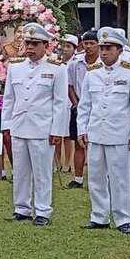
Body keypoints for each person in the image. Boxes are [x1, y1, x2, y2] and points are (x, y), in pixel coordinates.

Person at [1, 23, 69, 226]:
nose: (30, 47)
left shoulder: (57, 68)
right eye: (28, 43)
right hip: (19, 126)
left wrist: (57, 130)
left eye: (35, 44)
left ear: (45, 46)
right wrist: (6, 125)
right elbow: (9, 99)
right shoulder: (15, 67)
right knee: (20, 171)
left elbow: (60, 103)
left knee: (42, 173)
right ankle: (21, 208)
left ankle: (42, 211)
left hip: (42, 129)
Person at [76, 27, 130, 234]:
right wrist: (81, 129)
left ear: (119, 50)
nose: (104, 52)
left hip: (119, 134)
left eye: (109, 48)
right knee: (95, 177)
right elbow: (85, 106)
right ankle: (99, 216)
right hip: (96, 132)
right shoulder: (92, 73)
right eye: (102, 48)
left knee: (119, 178)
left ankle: (123, 219)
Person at [67, 29, 100, 188]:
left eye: (92, 43)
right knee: (79, 143)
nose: (88, 47)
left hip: (99, 108)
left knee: (98, 145)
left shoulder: (103, 62)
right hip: (80, 107)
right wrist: (76, 104)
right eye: (86, 43)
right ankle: (78, 178)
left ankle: (100, 178)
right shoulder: (75, 63)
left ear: (98, 45)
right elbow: (70, 86)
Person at [56, 34, 79, 174]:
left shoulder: (76, 63)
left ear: (74, 48)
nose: (65, 49)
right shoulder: (56, 61)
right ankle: (57, 162)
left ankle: (68, 163)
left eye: (68, 46)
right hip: (58, 100)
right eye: (63, 46)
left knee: (67, 135)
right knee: (57, 132)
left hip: (70, 101)